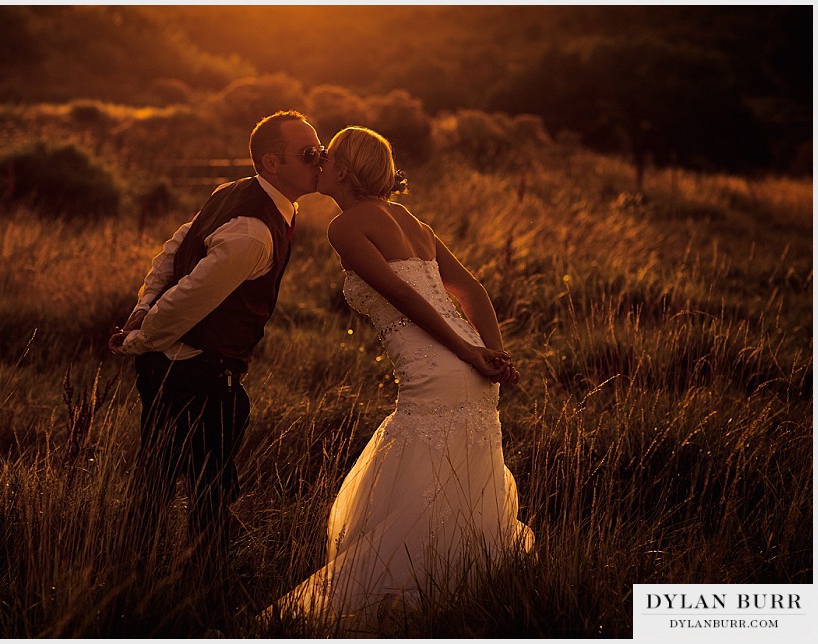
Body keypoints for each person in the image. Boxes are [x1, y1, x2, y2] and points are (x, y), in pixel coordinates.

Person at [267, 126, 533, 633]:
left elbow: (406, 298)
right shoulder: (408, 219)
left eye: (325, 157)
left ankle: (399, 600)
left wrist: (472, 353)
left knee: (417, 492)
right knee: (447, 490)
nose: (317, 162)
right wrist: (492, 355)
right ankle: (453, 594)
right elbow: (471, 289)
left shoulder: (345, 228)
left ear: (342, 172)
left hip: (441, 371)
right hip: (472, 371)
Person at [109, 110, 324, 566]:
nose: (320, 160)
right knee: (207, 496)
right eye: (309, 154)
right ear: (271, 162)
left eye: (319, 150)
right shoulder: (254, 232)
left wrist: (142, 311)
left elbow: (171, 250)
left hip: (175, 367)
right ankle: (196, 596)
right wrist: (141, 335)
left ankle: (132, 574)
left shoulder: (232, 193)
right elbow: (188, 297)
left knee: (156, 484)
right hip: (197, 376)